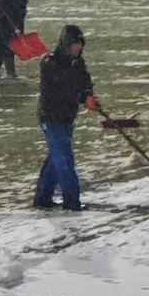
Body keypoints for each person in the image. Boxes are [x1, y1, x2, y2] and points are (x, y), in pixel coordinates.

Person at [34, 24, 99, 211]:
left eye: (80, 46)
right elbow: (62, 88)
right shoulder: (50, 63)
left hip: (68, 117)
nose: (77, 50)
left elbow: (84, 82)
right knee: (64, 159)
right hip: (51, 117)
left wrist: (89, 95)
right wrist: (81, 97)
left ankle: (43, 198)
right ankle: (72, 201)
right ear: (65, 44)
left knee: (57, 158)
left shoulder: (78, 63)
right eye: (74, 46)